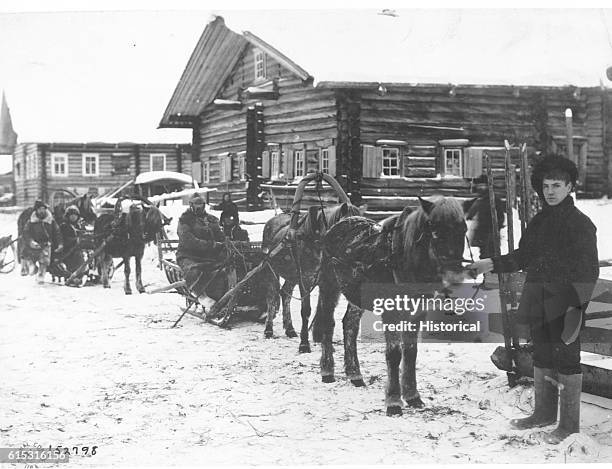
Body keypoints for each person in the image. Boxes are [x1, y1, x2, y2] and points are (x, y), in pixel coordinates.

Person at [468, 155, 599, 444]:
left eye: (556, 185)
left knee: (566, 358)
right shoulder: (540, 221)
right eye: (545, 186)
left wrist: (577, 308)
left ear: (569, 187)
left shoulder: (581, 224)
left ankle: (568, 425)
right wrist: (489, 263)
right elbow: (522, 256)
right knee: (542, 354)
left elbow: (589, 272)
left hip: (566, 303)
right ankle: (543, 413)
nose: (549, 191)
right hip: (539, 296)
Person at [176, 194, 226, 309]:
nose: (199, 208)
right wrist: (211, 245)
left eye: (201, 205)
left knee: (230, 264)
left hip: (210, 255)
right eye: (196, 205)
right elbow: (188, 241)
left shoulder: (211, 219)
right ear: (191, 205)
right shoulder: (185, 220)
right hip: (189, 255)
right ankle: (200, 295)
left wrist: (225, 242)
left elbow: (220, 235)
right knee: (194, 271)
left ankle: (225, 293)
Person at [22, 200, 63, 283]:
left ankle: (41, 275)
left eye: (43, 209)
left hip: (46, 244)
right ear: (36, 210)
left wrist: (60, 244)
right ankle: (32, 268)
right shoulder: (31, 221)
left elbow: (57, 232)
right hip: (34, 244)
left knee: (44, 261)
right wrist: (31, 242)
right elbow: (26, 233)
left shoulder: (51, 220)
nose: (42, 211)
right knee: (28, 257)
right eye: (40, 209)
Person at [465, 174, 505, 259]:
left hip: (491, 234)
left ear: (487, 186)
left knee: (491, 257)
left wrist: (495, 229)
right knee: (483, 256)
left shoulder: (494, 200)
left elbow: (501, 217)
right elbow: (470, 213)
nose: (480, 188)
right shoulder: (480, 200)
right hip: (482, 234)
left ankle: (491, 272)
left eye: (482, 186)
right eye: (479, 186)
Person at [58, 205, 86, 286]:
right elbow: (62, 238)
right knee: (77, 256)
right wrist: (75, 240)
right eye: (71, 215)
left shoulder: (78, 225)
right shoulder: (64, 226)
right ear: (68, 216)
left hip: (78, 248)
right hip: (68, 250)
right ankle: (75, 276)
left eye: (75, 215)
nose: (74, 217)